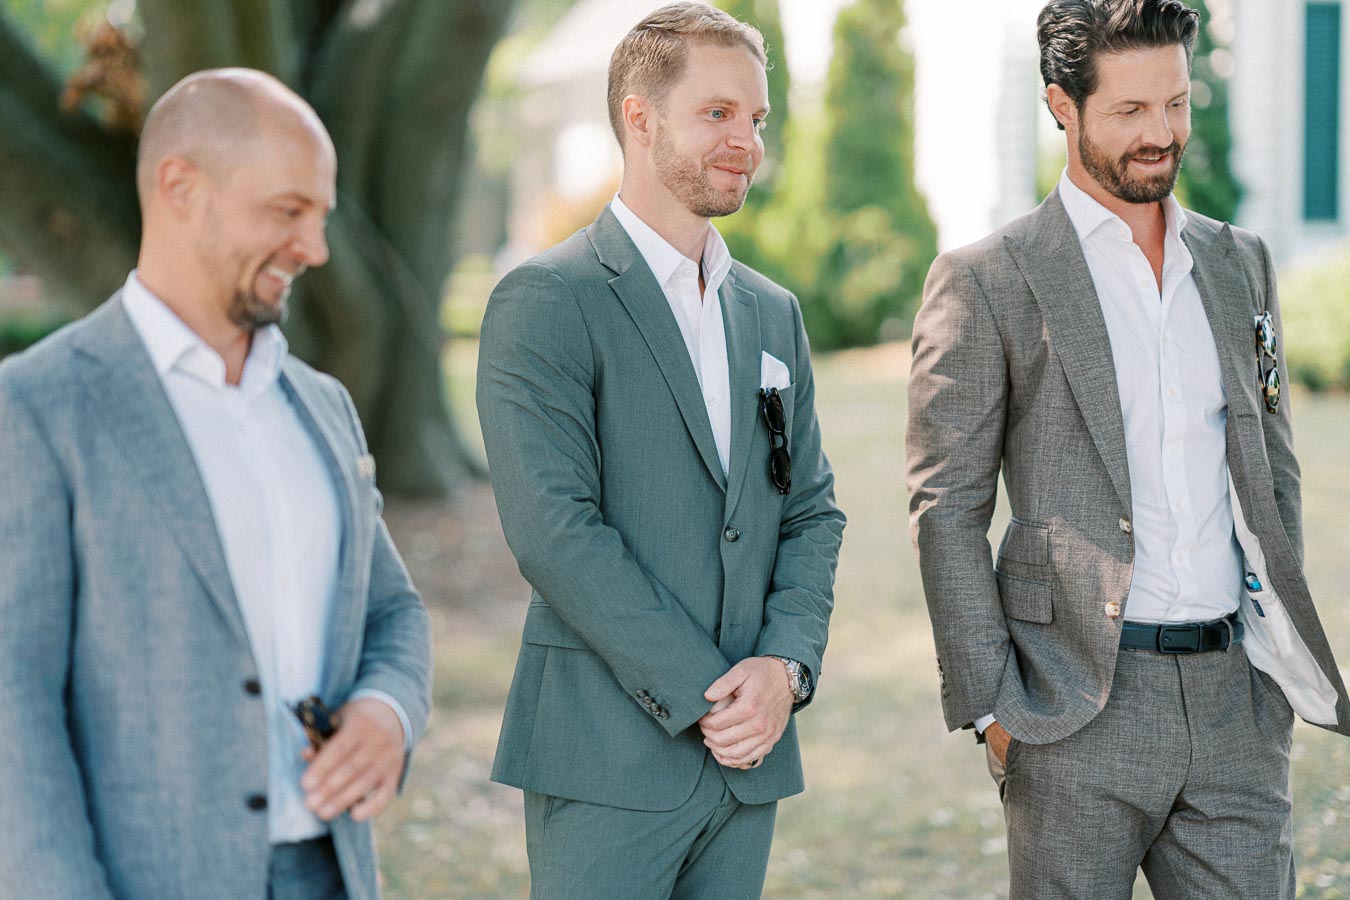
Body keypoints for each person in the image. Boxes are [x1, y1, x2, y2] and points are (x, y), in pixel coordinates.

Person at [906, 1, 1350, 896]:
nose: (1163, 135)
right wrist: (993, 707)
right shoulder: (987, 279)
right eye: (1131, 112)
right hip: (1071, 706)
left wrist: (1269, 671)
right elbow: (946, 507)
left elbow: (1273, 467)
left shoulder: (1240, 263)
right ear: (1062, 107)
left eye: (1177, 105)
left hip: (1237, 704)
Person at [0, 68, 433, 900]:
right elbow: (13, 707)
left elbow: (393, 611)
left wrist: (388, 711)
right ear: (180, 188)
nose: (315, 249)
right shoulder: (40, 406)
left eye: (321, 216)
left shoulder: (323, 407)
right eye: (288, 211)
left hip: (332, 875)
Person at [476, 4, 845, 897]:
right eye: (718, 113)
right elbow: (555, 533)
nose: (747, 142)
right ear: (639, 119)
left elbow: (810, 509)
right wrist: (716, 695)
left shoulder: (772, 313)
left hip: (746, 769)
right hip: (605, 762)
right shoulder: (546, 299)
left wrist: (784, 671)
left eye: (756, 119)